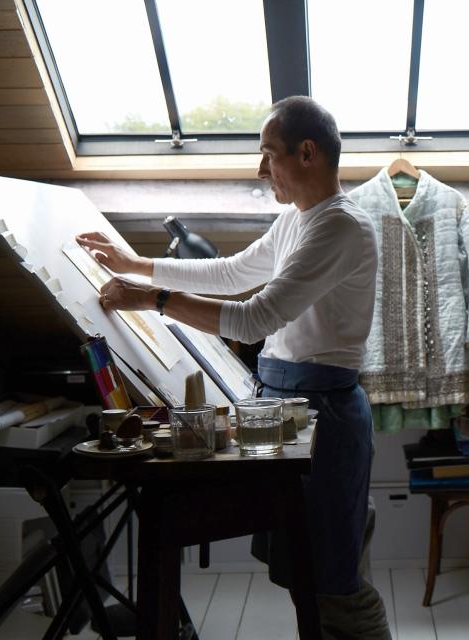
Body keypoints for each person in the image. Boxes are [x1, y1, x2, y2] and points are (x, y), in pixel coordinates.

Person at [75, 96, 391, 640]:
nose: (261, 168)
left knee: (334, 581)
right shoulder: (299, 220)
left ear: (307, 153)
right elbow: (231, 272)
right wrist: (137, 265)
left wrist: (152, 298)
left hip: (327, 418)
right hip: (292, 407)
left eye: (269, 154)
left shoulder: (342, 228)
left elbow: (253, 318)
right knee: (307, 572)